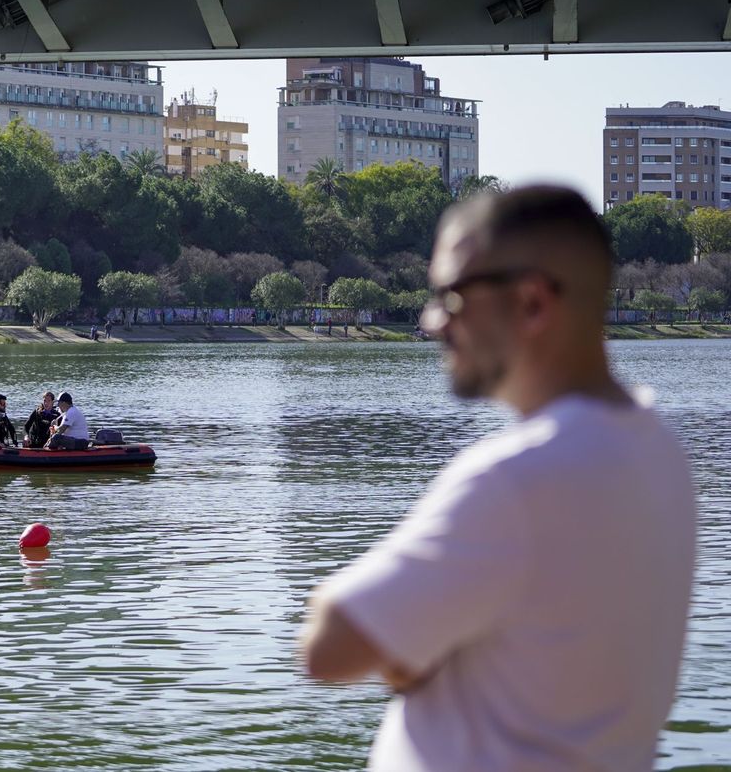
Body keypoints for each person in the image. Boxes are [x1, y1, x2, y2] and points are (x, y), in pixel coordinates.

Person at [298, 186, 696, 771]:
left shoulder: (517, 477)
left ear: (533, 303)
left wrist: (401, 645)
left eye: (451, 296)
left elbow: (328, 649)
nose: (431, 321)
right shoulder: (659, 453)